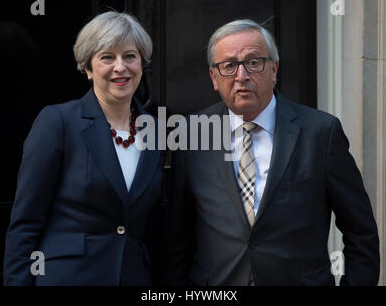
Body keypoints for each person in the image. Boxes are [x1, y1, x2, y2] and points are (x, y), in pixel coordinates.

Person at [163, 19, 380, 286]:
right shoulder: (191, 135)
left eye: (254, 62)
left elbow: (361, 233)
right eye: (229, 66)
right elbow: (175, 242)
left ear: (274, 69)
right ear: (214, 78)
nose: (241, 76)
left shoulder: (320, 133)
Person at [3, 11, 164, 285]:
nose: (120, 67)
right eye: (107, 57)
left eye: (129, 56)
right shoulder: (58, 122)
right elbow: (26, 223)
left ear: (142, 64)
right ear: (88, 69)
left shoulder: (158, 131)